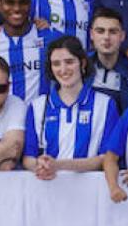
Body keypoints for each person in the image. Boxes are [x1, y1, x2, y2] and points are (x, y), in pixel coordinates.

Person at [24, 35, 119, 183]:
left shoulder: (106, 104)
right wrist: (39, 165)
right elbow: (28, 157)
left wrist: (58, 165)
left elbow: (106, 158)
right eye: (56, 64)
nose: (63, 69)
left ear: (82, 63)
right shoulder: (37, 106)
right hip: (48, 189)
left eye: (69, 62)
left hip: (92, 191)